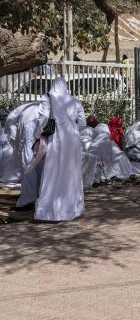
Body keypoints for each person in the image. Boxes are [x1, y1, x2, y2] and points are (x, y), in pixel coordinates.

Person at [33, 77, 85, 221]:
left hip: (56, 139)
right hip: (73, 140)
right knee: (71, 173)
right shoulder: (74, 101)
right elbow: (82, 123)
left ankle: (49, 211)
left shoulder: (48, 98)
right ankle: (72, 209)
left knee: (53, 171)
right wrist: (72, 129)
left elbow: (43, 119)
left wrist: (37, 134)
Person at [6, 103, 42, 209]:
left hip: (29, 123)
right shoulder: (24, 109)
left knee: (27, 163)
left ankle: (27, 200)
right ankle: (39, 194)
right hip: (40, 118)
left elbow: (15, 138)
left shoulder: (11, 120)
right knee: (39, 161)